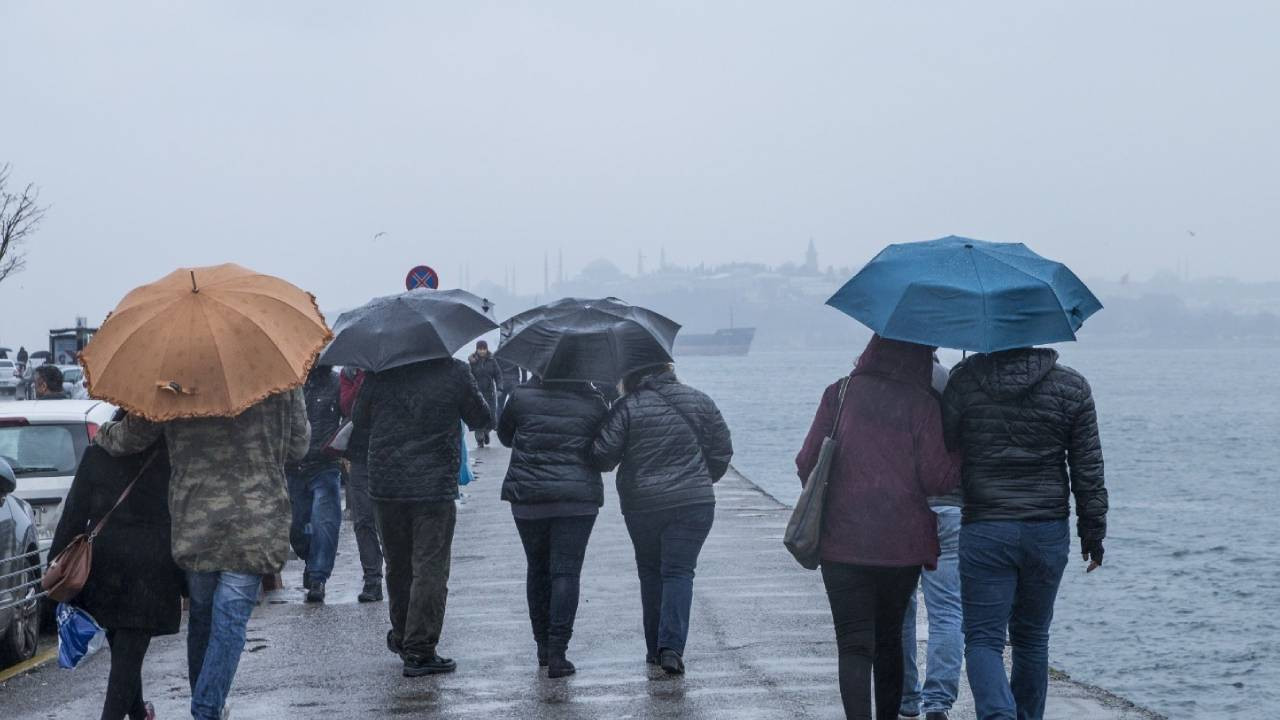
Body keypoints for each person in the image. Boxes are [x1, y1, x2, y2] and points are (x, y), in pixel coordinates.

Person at [96, 388, 309, 720]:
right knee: (230, 619)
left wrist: (104, 432)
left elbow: (132, 438)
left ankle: (206, 705)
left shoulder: (177, 378)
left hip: (197, 520)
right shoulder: (278, 380)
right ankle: (207, 708)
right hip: (255, 521)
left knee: (204, 615)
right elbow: (298, 446)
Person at [795, 336, 959, 720]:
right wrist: (960, 451)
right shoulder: (921, 403)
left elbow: (806, 462)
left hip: (841, 542)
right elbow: (938, 479)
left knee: (853, 645)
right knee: (889, 640)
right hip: (901, 546)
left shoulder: (839, 393)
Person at [942, 347, 1107, 720]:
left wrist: (963, 381)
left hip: (985, 525)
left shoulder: (965, 379)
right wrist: (1093, 533)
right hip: (1045, 528)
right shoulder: (1072, 386)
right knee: (1032, 638)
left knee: (983, 638)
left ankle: (998, 714)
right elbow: (1088, 467)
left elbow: (948, 443)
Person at [352, 357, 490, 678]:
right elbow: (482, 417)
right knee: (430, 567)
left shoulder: (380, 371)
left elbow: (359, 419)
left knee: (398, 565)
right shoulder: (455, 370)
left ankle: (402, 637)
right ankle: (420, 649)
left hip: (387, 484)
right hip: (434, 486)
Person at [591, 363, 732, 676]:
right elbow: (722, 450)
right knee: (680, 572)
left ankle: (654, 647)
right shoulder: (701, 400)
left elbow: (603, 457)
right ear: (669, 368)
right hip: (694, 502)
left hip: (643, 503)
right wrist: (700, 479)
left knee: (651, 571)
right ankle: (671, 648)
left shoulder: (626, 406)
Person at [48, 414, 182, 720]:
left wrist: (55, 561)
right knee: (129, 652)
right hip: (152, 564)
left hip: (103, 563)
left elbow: (75, 509)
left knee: (123, 649)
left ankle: (138, 713)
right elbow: (183, 511)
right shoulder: (170, 454)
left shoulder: (98, 451)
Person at [497, 376, 609, 679]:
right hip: (577, 499)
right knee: (566, 572)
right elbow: (604, 450)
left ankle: (543, 648)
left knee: (537, 568)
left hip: (528, 497)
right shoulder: (594, 401)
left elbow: (505, 437)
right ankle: (559, 653)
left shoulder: (520, 396)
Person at [899, 356, 965, 720]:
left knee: (901, 608)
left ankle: (906, 698)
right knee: (947, 611)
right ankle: (937, 701)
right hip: (951, 506)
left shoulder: (888, 382)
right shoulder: (952, 382)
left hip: (903, 509)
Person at [287, 365, 344, 603]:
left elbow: (351, 414)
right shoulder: (290, 383)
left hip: (325, 465)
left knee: (324, 523)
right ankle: (311, 560)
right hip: (293, 465)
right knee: (297, 527)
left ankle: (318, 577)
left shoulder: (336, 382)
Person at [340, 366, 384, 603]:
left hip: (388, 454)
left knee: (388, 521)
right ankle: (372, 579)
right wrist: (362, 380)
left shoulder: (390, 371)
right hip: (359, 455)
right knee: (363, 520)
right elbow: (348, 408)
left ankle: (398, 574)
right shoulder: (348, 375)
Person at [467, 341, 501, 447]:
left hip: (489, 393)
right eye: (480, 349)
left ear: (486, 349)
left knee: (491, 417)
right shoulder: (472, 362)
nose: (482, 351)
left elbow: (498, 375)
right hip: (476, 394)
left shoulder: (492, 360)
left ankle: (486, 432)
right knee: (478, 417)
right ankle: (480, 440)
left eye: (484, 349)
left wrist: (500, 388)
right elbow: (467, 377)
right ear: (477, 349)